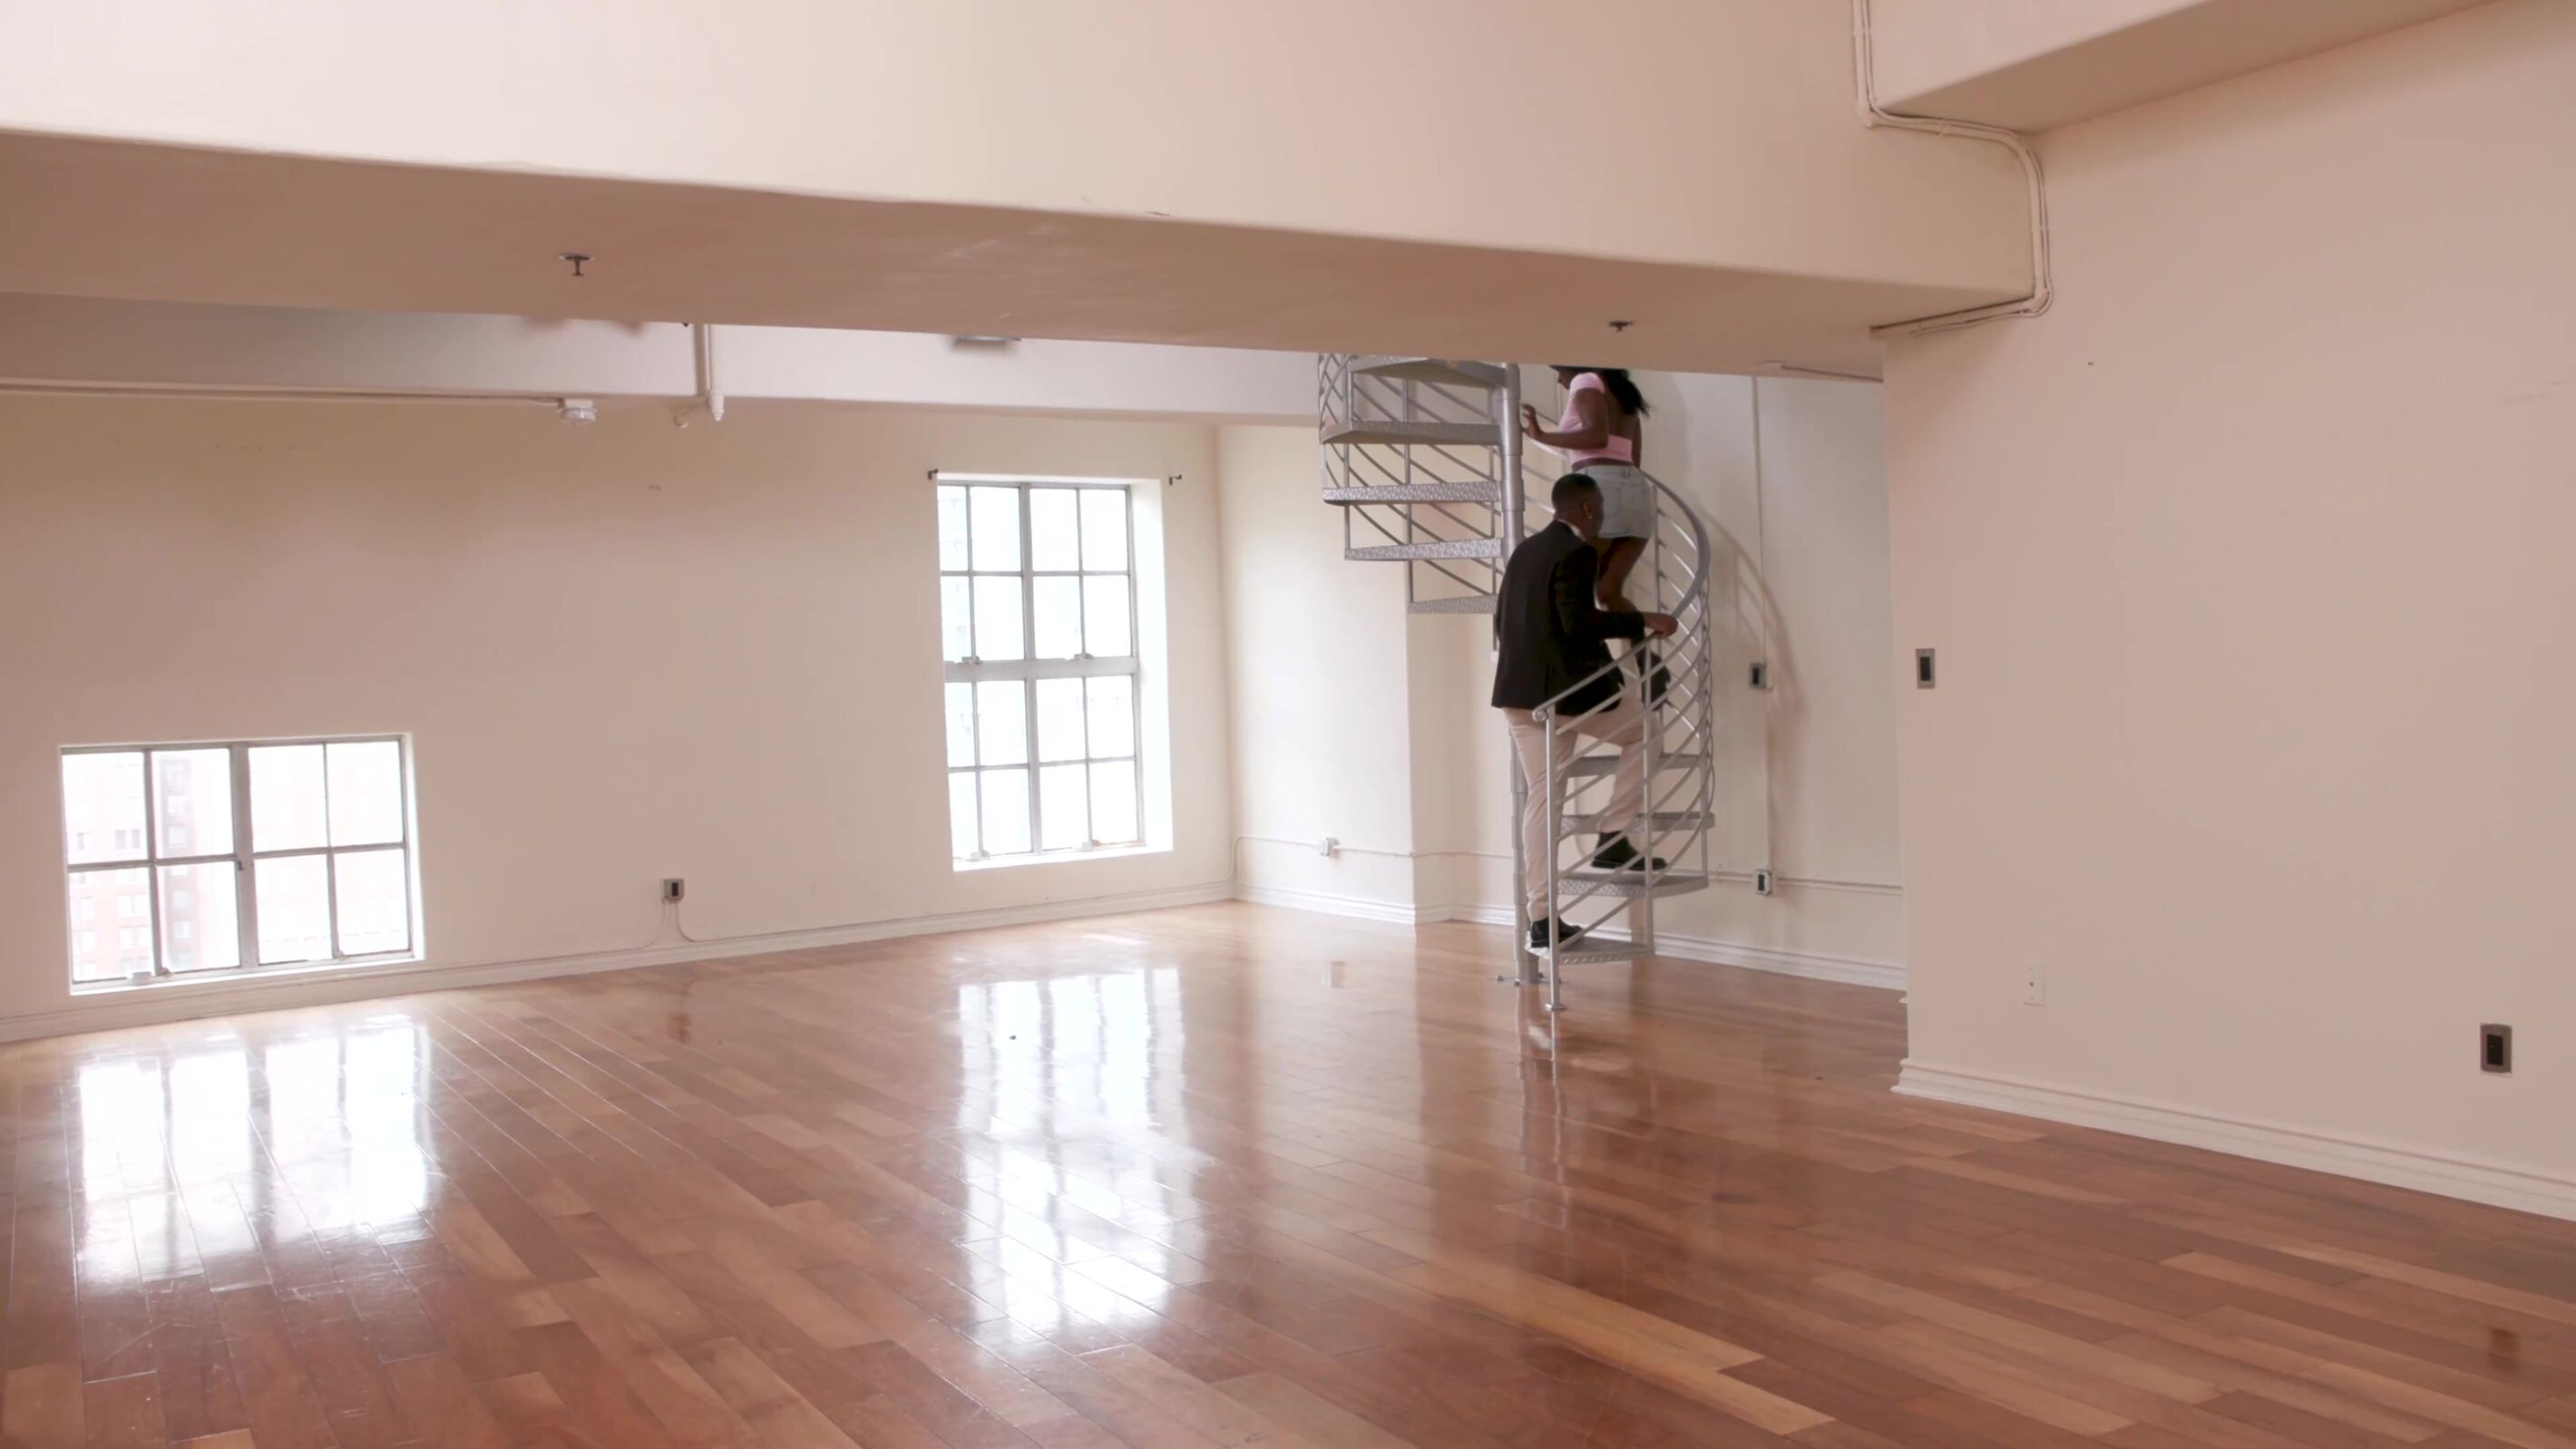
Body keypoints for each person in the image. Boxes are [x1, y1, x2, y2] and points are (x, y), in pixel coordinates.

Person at [1493, 473, 1679, 952]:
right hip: (1569, 695)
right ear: (1588, 510)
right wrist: (1643, 619)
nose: (1602, 517)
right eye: (1601, 508)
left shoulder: (1524, 552)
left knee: (1543, 802)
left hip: (1520, 697)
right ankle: (1613, 834)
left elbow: (1503, 620)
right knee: (1646, 731)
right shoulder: (1578, 553)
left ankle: (1540, 918)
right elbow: (1578, 623)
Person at [1520, 367, 1653, 612]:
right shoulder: (1624, 390)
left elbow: (1597, 437)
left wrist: (1541, 436)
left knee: (1570, 587)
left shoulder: (1586, 379)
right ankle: (1647, 639)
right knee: (1608, 593)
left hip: (1599, 488)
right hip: (1637, 492)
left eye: (1559, 371)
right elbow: (1633, 458)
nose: (1559, 380)